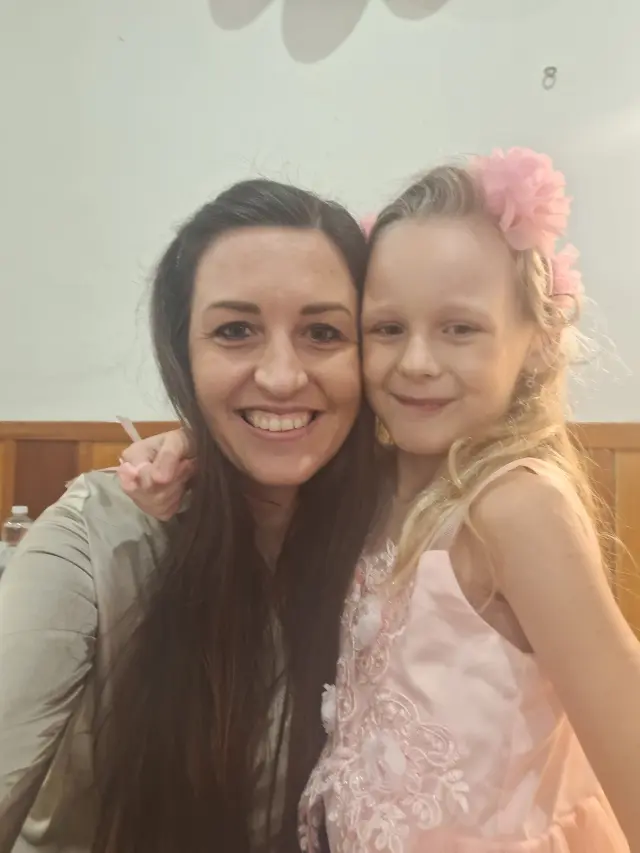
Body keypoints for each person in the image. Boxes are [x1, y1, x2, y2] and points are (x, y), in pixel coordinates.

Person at [127, 151, 640, 851]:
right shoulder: (372, 485)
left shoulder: (514, 507)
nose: (416, 362)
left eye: (460, 328)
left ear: (537, 339)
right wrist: (187, 441)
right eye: (388, 328)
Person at [0, 179, 379, 853]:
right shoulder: (94, 536)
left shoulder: (398, 536)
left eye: (323, 332)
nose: (282, 376)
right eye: (235, 331)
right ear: (185, 354)